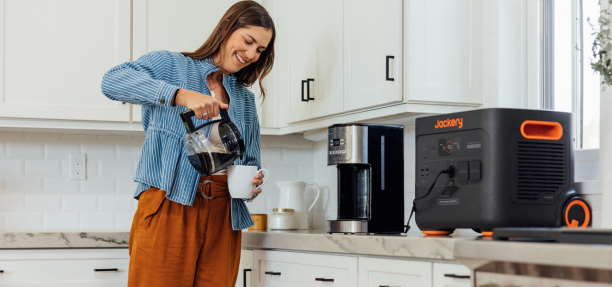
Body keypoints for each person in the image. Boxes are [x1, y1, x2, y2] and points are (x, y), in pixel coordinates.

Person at [100, 1, 275, 286]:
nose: (252, 54)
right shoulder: (170, 65)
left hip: (224, 214)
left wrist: (252, 182)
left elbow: (250, 159)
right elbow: (112, 81)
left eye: (260, 50)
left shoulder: (244, 99)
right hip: (170, 203)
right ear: (228, 25)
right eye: (248, 41)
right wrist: (181, 96)